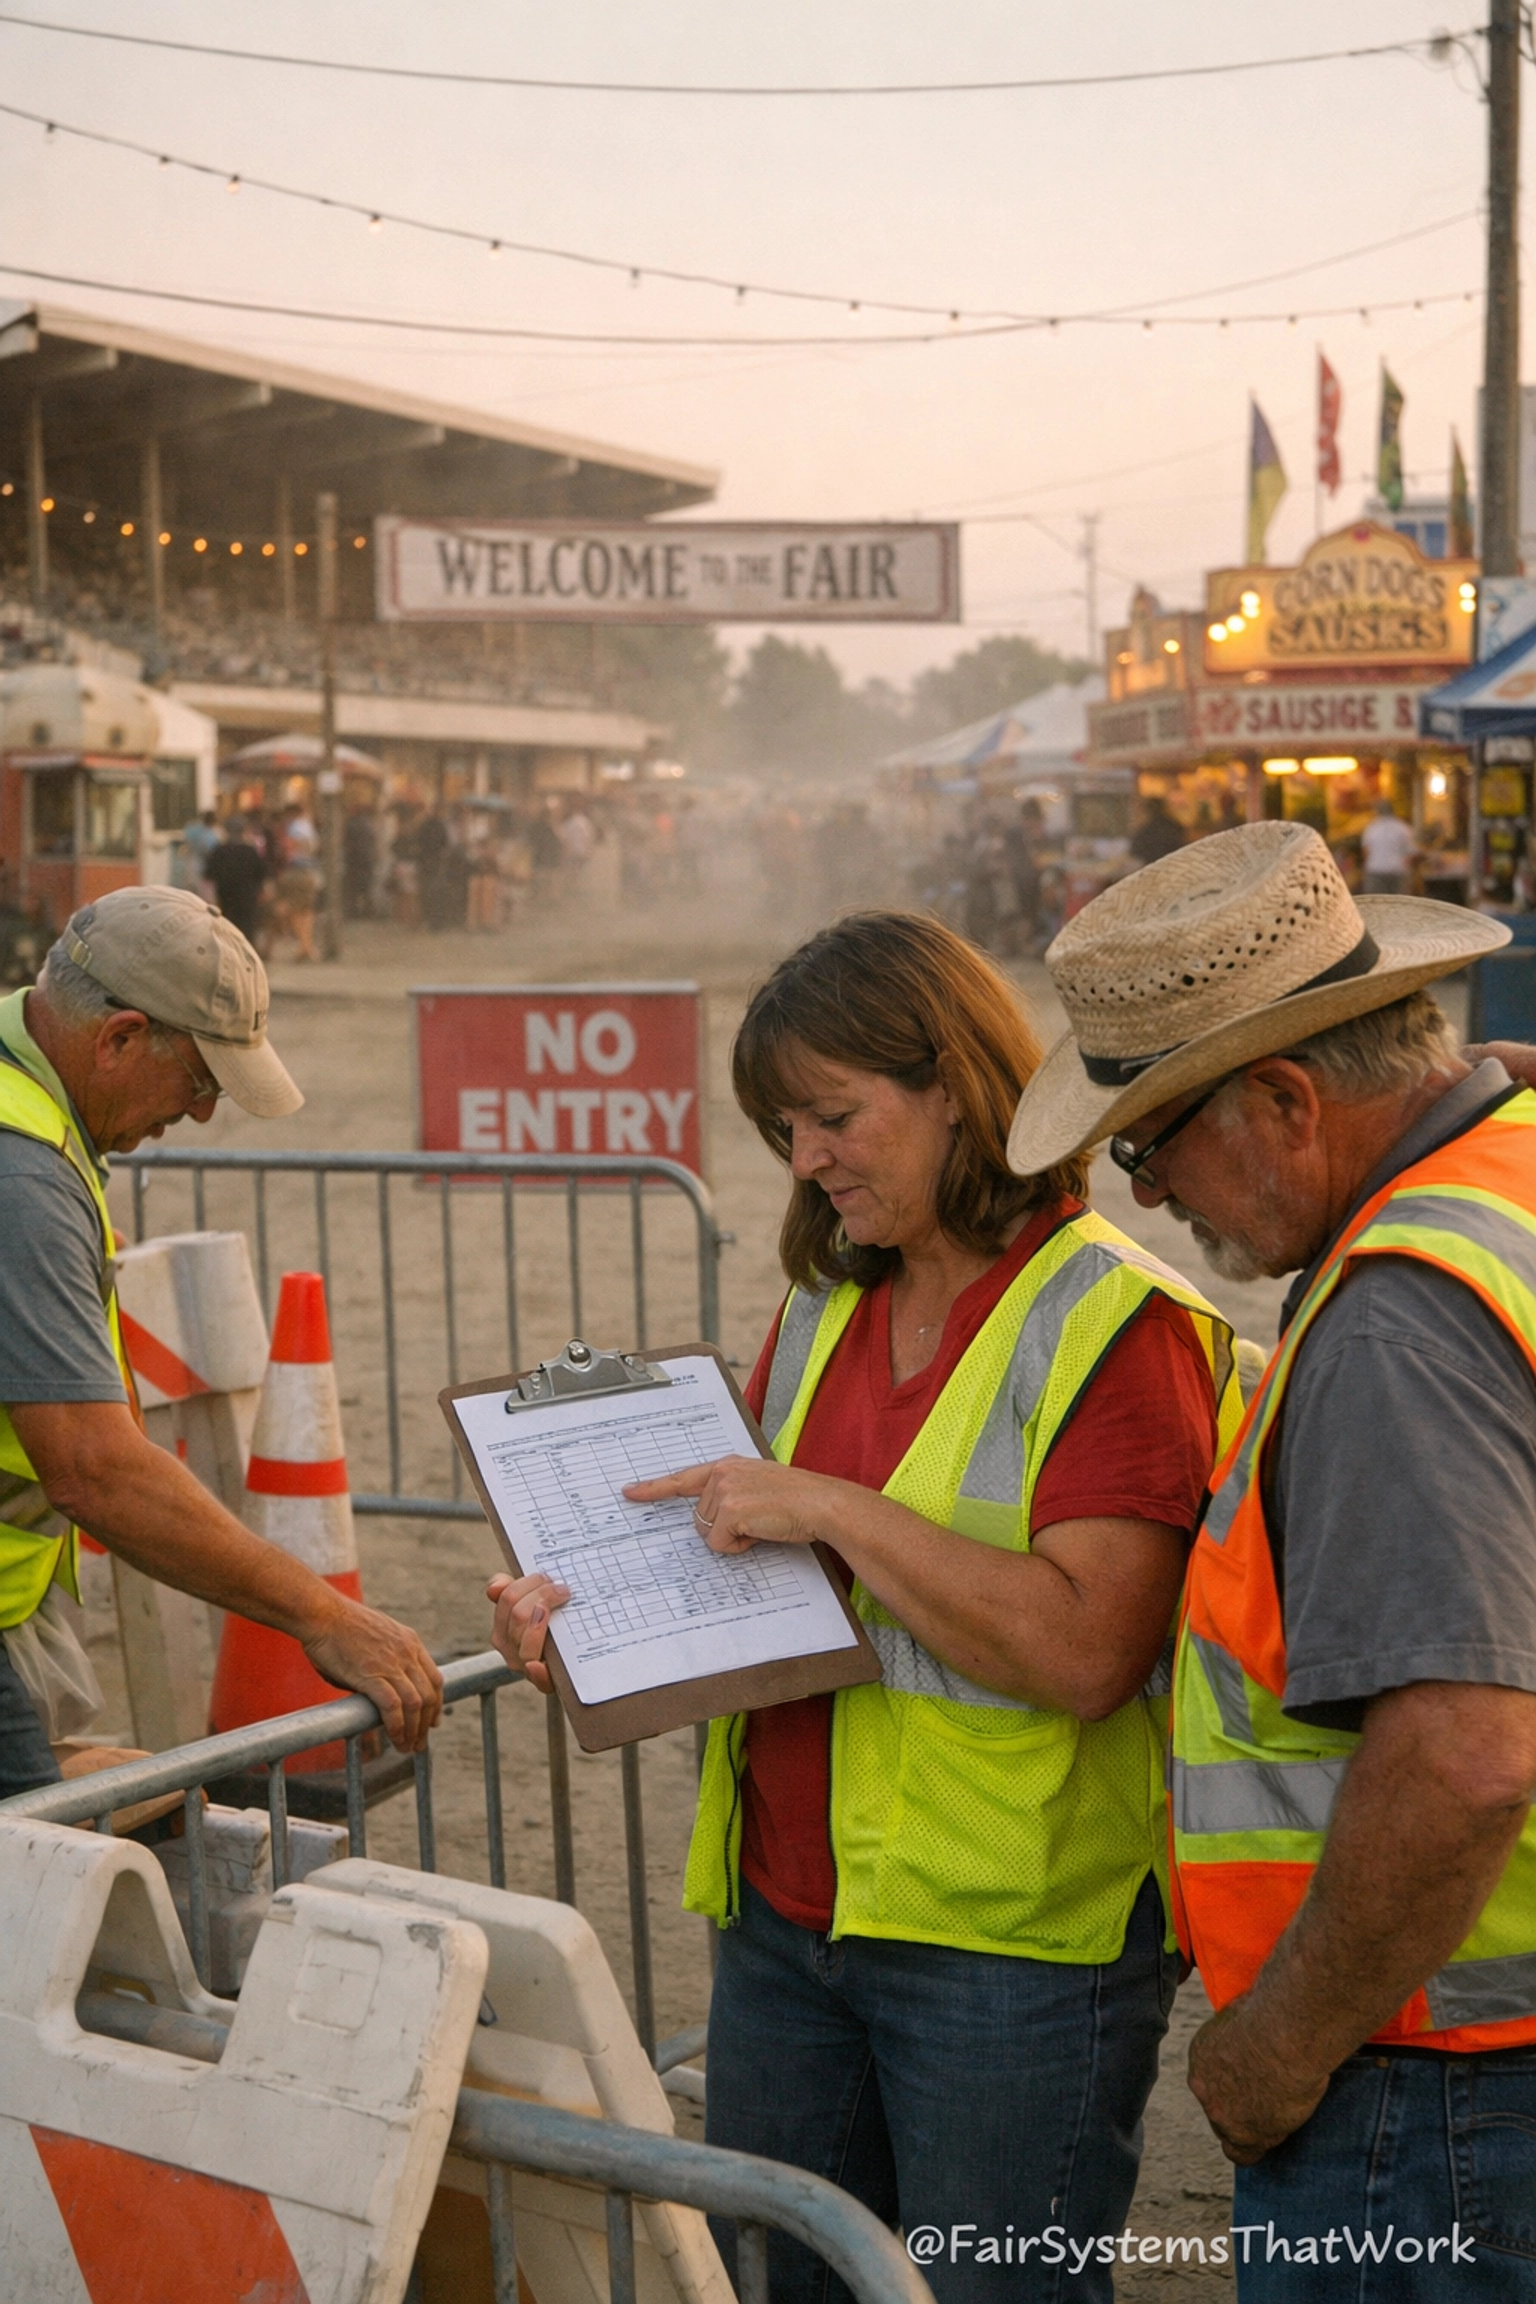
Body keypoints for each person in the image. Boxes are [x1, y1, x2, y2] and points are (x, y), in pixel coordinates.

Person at [491, 911, 1242, 2304]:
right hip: (783, 1926)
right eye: (786, 1129)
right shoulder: (827, 1304)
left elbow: (1086, 1652)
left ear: (958, 1084)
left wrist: (832, 1505)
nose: (807, 1160)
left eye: (835, 1116)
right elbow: (757, 1573)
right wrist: (581, 1615)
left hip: (1008, 1958)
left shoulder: (1116, 1325)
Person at [1005, 822, 1535, 2298]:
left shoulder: (1396, 1322)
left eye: (1153, 1145)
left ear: (1288, 1100)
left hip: (1435, 2079)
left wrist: (1277, 2050)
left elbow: (1465, 1758)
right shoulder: (1509, 1178)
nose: (1151, 1199)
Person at [0, 887, 443, 1799]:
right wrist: (322, 1616)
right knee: (37, 1866)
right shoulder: (23, 1178)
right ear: (119, 1039)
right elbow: (94, 1468)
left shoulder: (24, 1083)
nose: (201, 1115)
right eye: (199, 1079)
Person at [204, 816, 268, 948]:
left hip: (226, 894)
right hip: (248, 894)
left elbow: (209, 874)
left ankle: (231, 951)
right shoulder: (250, 850)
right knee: (247, 925)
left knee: (228, 924)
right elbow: (261, 873)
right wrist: (261, 890)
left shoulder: (219, 850)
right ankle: (248, 952)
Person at [1359, 793, 1419, 894]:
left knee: (1376, 903)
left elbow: (1365, 851)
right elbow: (1412, 853)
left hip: (1376, 870)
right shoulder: (1403, 828)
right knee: (1398, 904)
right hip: (1398, 871)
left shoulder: (1372, 828)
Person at [1129, 791, 1186, 868]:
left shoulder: (1146, 832)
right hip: (1174, 867)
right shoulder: (1173, 825)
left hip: (1154, 869)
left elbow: (1135, 852)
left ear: (1146, 811)